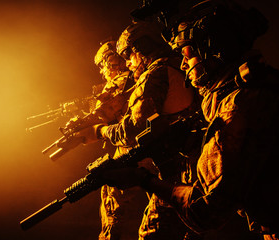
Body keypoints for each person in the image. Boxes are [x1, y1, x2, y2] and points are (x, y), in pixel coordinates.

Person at [100, 1, 279, 240]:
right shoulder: (263, 84)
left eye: (188, 54)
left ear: (213, 51)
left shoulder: (239, 106)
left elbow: (205, 211)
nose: (183, 64)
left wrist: (143, 179)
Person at [80, 21, 199, 240]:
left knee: (152, 233)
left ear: (141, 50)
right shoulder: (178, 65)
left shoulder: (154, 75)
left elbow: (132, 130)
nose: (128, 64)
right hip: (189, 167)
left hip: (173, 171)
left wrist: (100, 131)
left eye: (129, 56)